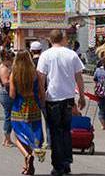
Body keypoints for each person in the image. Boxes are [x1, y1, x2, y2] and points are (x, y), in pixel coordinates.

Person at [36, 29, 85, 176]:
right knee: (66, 131)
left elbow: (41, 78)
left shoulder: (45, 55)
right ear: (63, 39)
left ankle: (58, 165)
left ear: (50, 40)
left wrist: (41, 97)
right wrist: (81, 96)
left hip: (52, 98)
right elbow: (79, 77)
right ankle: (66, 162)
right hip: (68, 98)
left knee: (55, 132)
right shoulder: (72, 54)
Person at [11, 50, 45, 175]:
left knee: (18, 136)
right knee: (31, 134)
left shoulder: (14, 74)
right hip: (34, 107)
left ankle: (26, 155)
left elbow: (12, 94)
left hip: (19, 107)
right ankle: (28, 166)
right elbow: (41, 92)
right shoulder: (35, 74)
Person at [0, 47, 14, 147]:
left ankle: (6, 139)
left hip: (6, 93)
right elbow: (5, 82)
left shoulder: (6, 67)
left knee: (9, 116)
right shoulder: (4, 68)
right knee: (9, 117)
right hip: (6, 94)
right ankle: (7, 139)